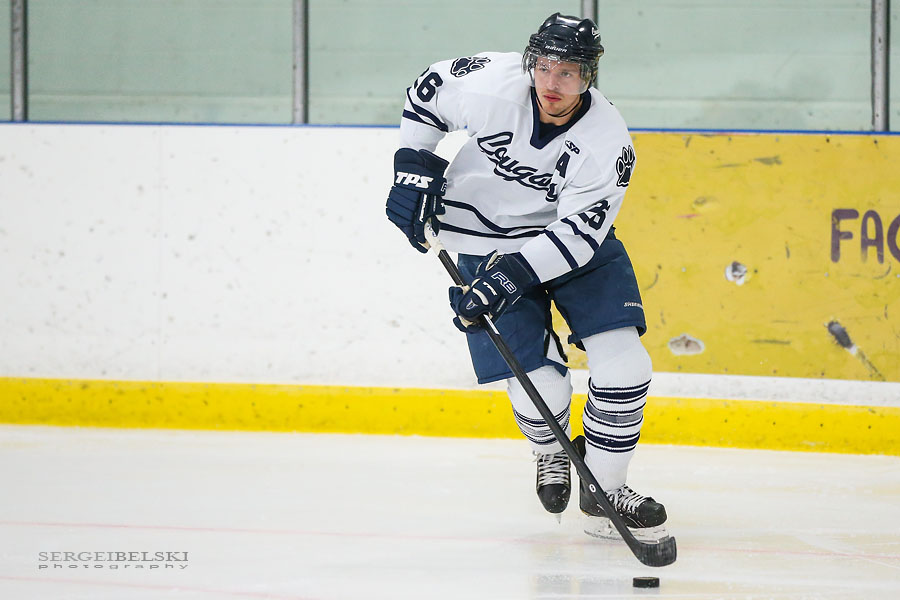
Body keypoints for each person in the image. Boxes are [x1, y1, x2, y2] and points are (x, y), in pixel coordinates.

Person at [385, 13, 667, 539]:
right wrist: (412, 164)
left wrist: (506, 280)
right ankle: (552, 451)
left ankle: (605, 490)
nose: (551, 83)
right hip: (478, 237)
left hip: (573, 244)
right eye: (543, 67)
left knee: (626, 366)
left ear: (589, 77)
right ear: (530, 62)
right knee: (537, 385)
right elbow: (429, 90)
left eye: (568, 73)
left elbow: (579, 237)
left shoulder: (608, 141)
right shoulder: (490, 84)